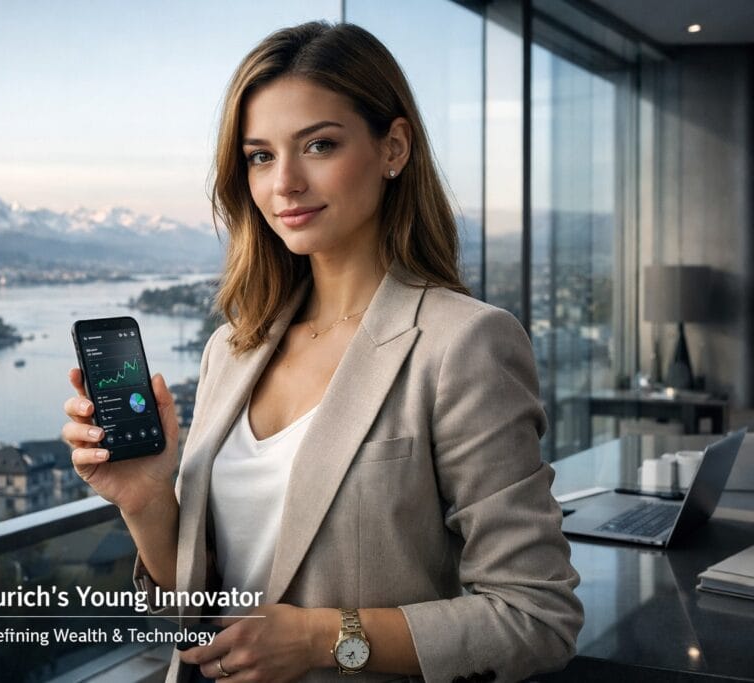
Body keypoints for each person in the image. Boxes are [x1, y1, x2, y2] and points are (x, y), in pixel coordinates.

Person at [63, 21, 583, 683]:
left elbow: (537, 616)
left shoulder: (464, 344)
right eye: (259, 156)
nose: (286, 182)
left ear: (393, 147)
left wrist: (321, 638)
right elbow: (193, 613)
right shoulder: (232, 347)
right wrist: (143, 497)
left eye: (319, 144)